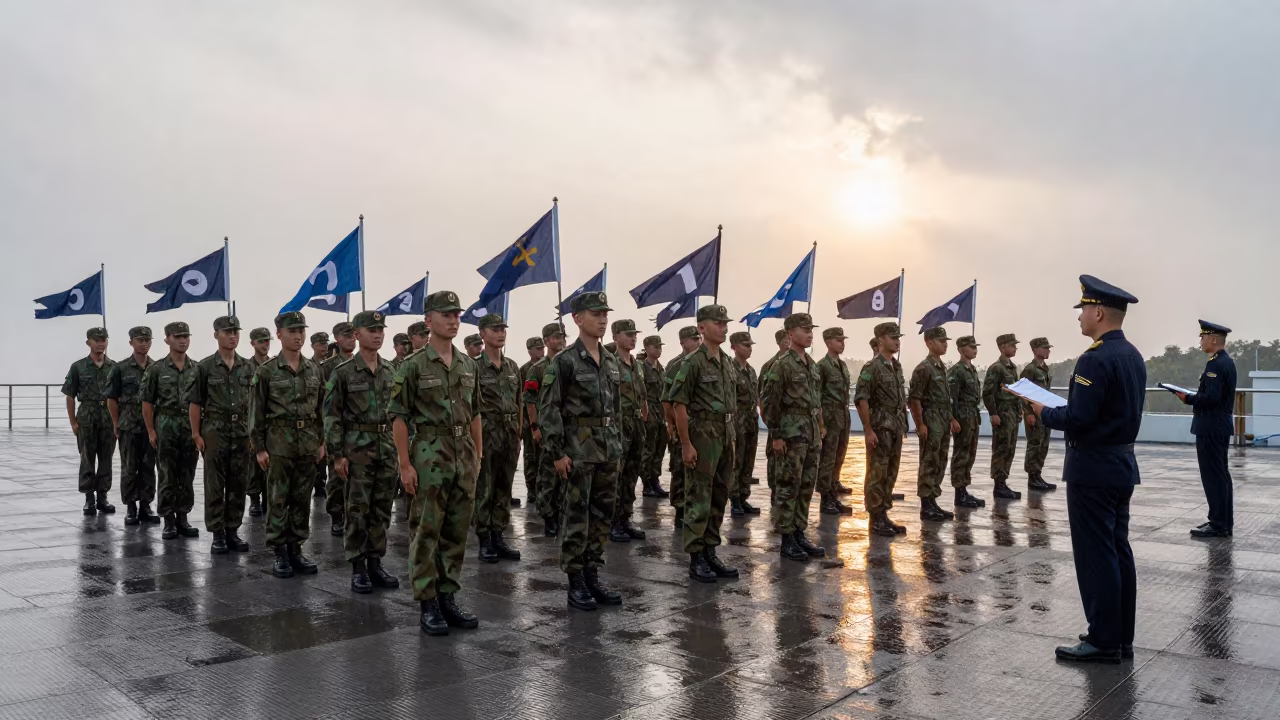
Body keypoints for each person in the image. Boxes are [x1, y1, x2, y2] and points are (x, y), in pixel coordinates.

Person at [1026, 275, 1144, 664]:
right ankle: (1121, 635)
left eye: (1083, 311)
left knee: (1097, 556)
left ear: (1097, 312)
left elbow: (1079, 416)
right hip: (1121, 463)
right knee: (1117, 550)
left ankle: (1103, 639)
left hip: (1093, 469)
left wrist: (1043, 412)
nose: (1079, 318)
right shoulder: (1132, 355)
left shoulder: (1094, 358)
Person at [389, 291, 482, 636]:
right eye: (446, 315)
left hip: (463, 455)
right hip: (429, 452)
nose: (453, 320)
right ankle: (428, 602)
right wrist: (405, 464)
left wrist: (479, 455)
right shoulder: (413, 366)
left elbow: (475, 414)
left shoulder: (467, 364)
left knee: (456, 531)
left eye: (457, 315)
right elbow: (398, 418)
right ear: (428, 321)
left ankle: (448, 597)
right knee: (427, 530)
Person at [539, 291, 624, 611]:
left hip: (607, 449)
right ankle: (575, 580)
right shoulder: (564, 361)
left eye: (604, 313)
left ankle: (592, 574)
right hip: (577, 450)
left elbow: (615, 410)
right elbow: (549, 410)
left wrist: (618, 444)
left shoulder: (611, 360)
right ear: (577, 318)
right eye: (595, 313)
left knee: (602, 517)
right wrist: (558, 452)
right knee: (577, 517)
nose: (602, 319)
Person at [323, 310, 400, 593]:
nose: (377, 334)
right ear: (356, 334)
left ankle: (375, 562)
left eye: (380, 329)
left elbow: (402, 414)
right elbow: (331, 415)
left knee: (381, 508)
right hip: (356, 450)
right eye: (371, 330)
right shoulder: (342, 373)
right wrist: (337, 455)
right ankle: (358, 566)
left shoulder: (392, 370)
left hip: (387, 448)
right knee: (357, 509)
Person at [249, 311, 325, 579]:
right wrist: (259, 447)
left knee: (302, 498)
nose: (298, 336)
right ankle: (279, 551)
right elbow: (256, 412)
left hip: (307, 444)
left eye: (301, 331)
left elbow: (320, 410)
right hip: (278, 443)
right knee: (278, 498)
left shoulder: (314, 369)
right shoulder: (267, 371)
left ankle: (296, 548)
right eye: (292, 331)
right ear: (279, 334)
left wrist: (321, 441)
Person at [669, 304, 740, 582]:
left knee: (719, 494)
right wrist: (686, 444)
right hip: (702, 434)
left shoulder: (726, 361)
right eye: (717, 323)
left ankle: (710, 550)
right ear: (701, 327)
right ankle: (696, 556)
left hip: (725, 433)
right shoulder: (692, 362)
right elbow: (679, 404)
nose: (723, 327)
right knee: (698, 496)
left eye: (725, 323)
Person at [762, 313, 826, 560]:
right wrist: (776, 436)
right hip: (790, 434)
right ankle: (787, 538)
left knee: (806, 486)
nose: (809, 333)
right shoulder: (782, 364)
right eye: (804, 329)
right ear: (790, 333)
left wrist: (820, 426)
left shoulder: (811, 364)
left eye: (811, 328)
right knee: (788, 486)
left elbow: (816, 401)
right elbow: (769, 404)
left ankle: (799, 532)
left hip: (810, 434)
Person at [189, 316, 254, 554]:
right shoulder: (204, 367)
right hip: (215, 430)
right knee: (215, 484)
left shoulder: (248, 366)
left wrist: (253, 433)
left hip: (241, 430)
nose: (232, 336)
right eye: (227, 332)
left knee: (239, 482)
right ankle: (217, 533)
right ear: (216, 334)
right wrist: (196, 434)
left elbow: (255, 403)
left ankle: (232, 530)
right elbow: (195, 403)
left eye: (235, 331)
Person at [1178, 320, 1238, 538]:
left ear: (1214, 339)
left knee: (1214, 476)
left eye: (1203, 337)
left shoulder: (1216, 364)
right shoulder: (1224, 362)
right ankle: (1220, 520)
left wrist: (1188, 398)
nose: (1201, 341)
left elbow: (1211, 398)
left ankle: (1219, 524)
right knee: (1220, 475)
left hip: (1211, 428)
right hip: (1217, 427)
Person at [141, 322, 199, 540]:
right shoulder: (156, 369)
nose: (182, 340)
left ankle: (183, 517)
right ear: (167, 339)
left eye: (185, 336)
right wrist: (151, 431)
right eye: (177, 336)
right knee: (166, 473)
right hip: (166, 424)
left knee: (187, 473)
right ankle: (168, 520)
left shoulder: (196, 368)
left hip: (189, 425)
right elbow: (146, 402)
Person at [472, 313, 522, 563]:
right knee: (485, 487)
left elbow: (519, 402)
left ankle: (498, 535)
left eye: (503, 329)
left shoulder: (512, 367)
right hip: (487, 433)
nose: (500, 333)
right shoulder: (474, 367)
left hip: (510, 434)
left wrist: (519, 432)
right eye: (494, 329)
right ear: (482, 333)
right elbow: (470, 407)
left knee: (504, 486)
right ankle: (484, 539)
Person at [855, 323, 909, 537]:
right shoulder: (872, 367)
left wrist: (903, 422)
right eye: (892, 337)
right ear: (880, 341)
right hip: (880, 427)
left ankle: (884, 514)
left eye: (898, 337)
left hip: (894, 427)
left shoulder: (896, 366)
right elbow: (861, 399)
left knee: (890, 472)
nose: (896, 341)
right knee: (877, 472)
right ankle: (875, 518)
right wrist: (868, 429)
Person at [106, 326, 158, 525]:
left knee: (148, 466)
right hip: (129, 424)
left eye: (147, 340)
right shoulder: (120, 368)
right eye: (139, 340)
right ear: (131, 342)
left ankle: (146, 504)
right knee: (129, 467)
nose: (144, 343)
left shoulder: (156, 367)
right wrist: (116, 423)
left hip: (150, 425)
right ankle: (130, 506)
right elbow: (112, 398)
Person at [63, 327, 117, 516]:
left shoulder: (114, 367)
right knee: (87, 458)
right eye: (96, 340)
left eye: (103, 339)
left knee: (106, 459)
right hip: (86, 415)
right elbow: (69, 395)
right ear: (88, 342)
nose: (100, 343)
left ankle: (102, 497)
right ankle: (89, 499)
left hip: (108, 417)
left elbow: (118, 396)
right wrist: (73, 422)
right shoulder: (78, 367)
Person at [908, 327, 960, 522]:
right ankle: (926, 504)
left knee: (940, 460)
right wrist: (920, 424)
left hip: (942, 420)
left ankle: (933, 500)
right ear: (929, 343)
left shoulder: (941, 367)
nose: (945, 344)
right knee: (929, 461)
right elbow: (914, 399)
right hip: (930, 419)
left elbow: (945, 399)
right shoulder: (924, 368)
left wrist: (951, 419)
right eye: (941, 341)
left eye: (945, 341)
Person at [524, 322, 568, 535]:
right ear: (546, 341)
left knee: (566, 473)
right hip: (547, 428)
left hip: (567, 429)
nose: (560, 341)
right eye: (555, 338)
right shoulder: (537, 369)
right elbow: (530, 401)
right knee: (547, 474)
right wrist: (535, 427)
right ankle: (548, 515)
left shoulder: (569, 364)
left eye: (562, 337)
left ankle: (562, 513)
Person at [609, 319, 649, 542]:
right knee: (616, 475)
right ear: (615, 337)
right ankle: (612, 521)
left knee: (632, 474)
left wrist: (643, 418)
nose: (633, 337)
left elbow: (642, 397)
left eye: (634, 334)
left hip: (636, 427)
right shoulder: (610, 363)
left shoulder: (637, 366)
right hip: (618, 427)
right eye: (627, 334)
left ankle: (626, 518)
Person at [663, 326, 702, 523]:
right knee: (680, 469)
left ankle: (693, 508)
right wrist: (673, 425)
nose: (698, 342)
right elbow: (667, 401)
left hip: (700, 428)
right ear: (683, 342)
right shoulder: (675, 365)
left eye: (699, 338)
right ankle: (680, 509)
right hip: (682, 426)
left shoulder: (702, 363)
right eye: (694, 339)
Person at [320, 322, 356, 536]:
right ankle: (336, 516)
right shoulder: (327, 367)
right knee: (336, 477)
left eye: (353, 334)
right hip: (336, 430)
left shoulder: (363, 363)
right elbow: (322, 405)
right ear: (337, 338)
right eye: (346, 335)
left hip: (360, 435)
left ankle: (353, 515)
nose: (351, 338)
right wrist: (323, 437)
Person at [817, 327, 854, 516]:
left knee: (839, 458)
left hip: (843, 417)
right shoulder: (822, 366)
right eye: (838, 340)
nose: (842, 343)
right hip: (830, 418)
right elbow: (817, 398)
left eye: (843, 340)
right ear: (828, 342)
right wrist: (821, 424)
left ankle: (833, 494)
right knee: (828, 460)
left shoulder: (842, 365)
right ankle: (826, 499)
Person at [947, 336, 986, 509]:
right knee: (961, 454)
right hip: (961, 416)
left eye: (975, 347)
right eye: (971, 347)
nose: (975, 350)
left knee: (970, 453)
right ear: (962, 350)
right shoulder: (957, 371)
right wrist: (952, 419)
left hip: (972, 415)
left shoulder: (971, 370)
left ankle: (964, 490)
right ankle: (959, 493)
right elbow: (950, 398)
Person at [983, 334, 1023, 500]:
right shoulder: (996, 368)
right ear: (1002, 347)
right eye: (1012, 345)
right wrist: (993, 413)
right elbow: (987, 393)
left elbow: (1016, 392)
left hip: (1012, 415)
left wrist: (1019, 410)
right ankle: (998, 485)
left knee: (1010, 449)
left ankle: (1003, 482)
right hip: (1002, 414)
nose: (1015, 348)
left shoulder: (1012, 368)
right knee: (1000, 449)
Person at [729, 331, 761, 517]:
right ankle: (734, 500)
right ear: (734, 347)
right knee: (736, 461)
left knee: (749, 460)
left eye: (750, 345)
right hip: (737, 420)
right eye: (745, 345)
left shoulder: (751, 371)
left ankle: (743, 496)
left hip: (751, 420)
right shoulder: (730, 369)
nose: (749, 349)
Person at [1021, 338, 1058, 491]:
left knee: (1043, 444)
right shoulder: (1030, 369)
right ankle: (1032, 477)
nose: (1048, 350)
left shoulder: (1044, 369)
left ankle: (1038, 475)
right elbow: (1022, 392)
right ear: (1035, 350)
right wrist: (1028, 412)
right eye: (1045, 348)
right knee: (1035, 444)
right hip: (1034, 413)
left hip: (1044, 412)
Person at [759, 329, 791, 503]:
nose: (789, 343)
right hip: (777, 420)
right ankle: (775, 490)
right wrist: (769, 421)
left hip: (795, 423)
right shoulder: (771, 365)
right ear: (779, 343)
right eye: (786, 341)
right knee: (775, 456)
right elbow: (763, 398)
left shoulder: (800, 363)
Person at [245, 327, 273, 516]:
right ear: (252, 343)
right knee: (253, 463)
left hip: (271, 421)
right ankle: (255, 499)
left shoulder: (275, 365)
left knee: (271, 462)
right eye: (261, 341)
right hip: (251, 420)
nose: (265, 344)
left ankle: (268, 498)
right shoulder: (245, 367)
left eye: (267, 340)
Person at [517, 336, 546, 507]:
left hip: (546, 420)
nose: (541, 351)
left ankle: (544, 488)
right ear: (530, 351)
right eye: (537, 348)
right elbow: (522, 397)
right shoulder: (525, 370)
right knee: (530, 456)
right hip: (530, 422)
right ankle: (532, 489)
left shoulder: (548, 367)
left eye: (542, 348)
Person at [639, 336, 670, 499]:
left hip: (660, 413)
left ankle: (655, 480)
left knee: (659, 448)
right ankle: (646, 484)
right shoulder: (642, 368)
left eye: (660, 346)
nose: (658, 349)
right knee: (648, 449)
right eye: (655, 346)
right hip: (648, 412)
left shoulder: (661, 369)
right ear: (646, 348)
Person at [309, 331, 331, 499]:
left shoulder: (331, 365)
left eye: (326, 343)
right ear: (313, 346)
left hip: (330, 414)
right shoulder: (310, 366)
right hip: (316, 416)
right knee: (318, 453)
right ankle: (318, 484)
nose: (325, 346)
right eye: (321, 344)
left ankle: (323, 483)